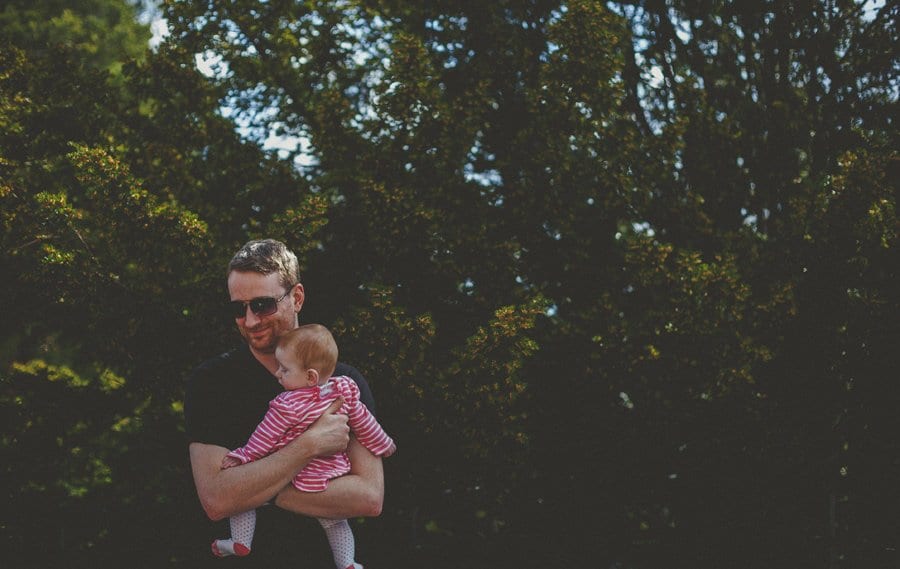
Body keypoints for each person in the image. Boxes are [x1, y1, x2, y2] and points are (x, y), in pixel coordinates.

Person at [184, 239, 385, 567]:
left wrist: (254, 490)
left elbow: (369, 497)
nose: (250, 321)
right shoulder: (212, 383)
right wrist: (308, 446)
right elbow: (218, 500)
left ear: (297, 298)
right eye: (239, 308)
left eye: (262, 305)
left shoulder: (343, 382)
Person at [212, 323, 396, 569]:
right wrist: (384, 443)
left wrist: (243, 457)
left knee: (245, 500)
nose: (278, 374)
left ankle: (240, 540)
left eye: (285, 370)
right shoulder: (343, 390)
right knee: (336, 523)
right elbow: (365, 423)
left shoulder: (287, 404)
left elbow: (263, 439)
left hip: (295, 475)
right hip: (331, 474)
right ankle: (347, 563)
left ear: (310, 376)